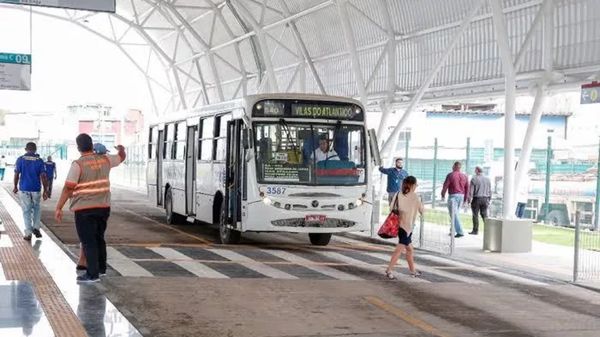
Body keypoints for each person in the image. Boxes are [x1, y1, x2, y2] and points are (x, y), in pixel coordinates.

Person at [55, 134, 126, 283]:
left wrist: (59, 207)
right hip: (103, 208)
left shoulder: (78, 165)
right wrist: (121, 149)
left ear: (78, 147)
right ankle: (101, 269)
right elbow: (121, 157)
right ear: (92, 145)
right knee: (99, 238)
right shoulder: (105, 159)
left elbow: (68, 188)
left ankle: (92, 275)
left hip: (84, 209)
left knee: (88, 241)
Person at [385, 176, 424, 279]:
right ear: (412, 185)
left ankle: (413, 271)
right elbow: (422, 211)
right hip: (407, 227)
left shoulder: (398, 194)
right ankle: (389, 270)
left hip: (399, 225)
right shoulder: (415, 197)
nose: (416, 186)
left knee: (410, 249)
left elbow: (391, 207)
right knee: (399, 249)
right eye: (416, 185)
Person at [13, 142, 48, 241]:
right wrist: (46, 190)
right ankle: (36, 227)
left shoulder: (20, 160)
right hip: (36, 189)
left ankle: (28, 233)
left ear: (25, 149)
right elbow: (43, 176)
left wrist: (15, 186)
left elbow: (16, 174)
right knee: (36, 208)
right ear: (35, 149)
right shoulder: (39, 161)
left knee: (26, 211)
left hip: (24, 189)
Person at [441, 161, 469, 238]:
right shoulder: (465, 176)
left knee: (454, 215)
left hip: (453, 196)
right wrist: (465, 199)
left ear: (454, 166)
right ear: (460, 167)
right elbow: (467, 188)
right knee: (456, 214)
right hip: (461, 196)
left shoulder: (450, 175)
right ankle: (452, 230)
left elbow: (445, 185)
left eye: (453, 165)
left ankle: (460, 232)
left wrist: (443, 195)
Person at [467, 166, 491, 235]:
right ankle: (488, 230)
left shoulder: (474, 179)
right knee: (485, 215)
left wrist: (469, 200)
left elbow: (471, 191)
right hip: (485, 199)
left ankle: (475, 230)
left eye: (475, 170)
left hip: (476, 199)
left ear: (477, 170)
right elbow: (490, 190)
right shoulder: (488, 179)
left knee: (475, 215)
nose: (474, 171)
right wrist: (489, 199)